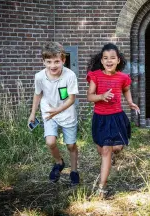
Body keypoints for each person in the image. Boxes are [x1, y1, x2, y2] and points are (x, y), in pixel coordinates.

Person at [86, 43, 140, 198]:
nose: (109, 61)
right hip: (100, 118)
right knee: (103, 150)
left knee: (115, 148)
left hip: (116, 117)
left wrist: (130, 102)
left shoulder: (123, 77)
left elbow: (126, 89)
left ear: (118, 60)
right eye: (105, 58)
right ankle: (107, 161)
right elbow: (90, 96)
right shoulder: (95, 75)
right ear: (101, 61)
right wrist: (101, 96)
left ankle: (101, 188)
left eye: (112, 58)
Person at [28, 42, 80, 186]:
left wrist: (58, 110)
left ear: (63, 60)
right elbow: (37, 94)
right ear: (43, 61)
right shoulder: (39, 77)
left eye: (56, 61)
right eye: (49, 62)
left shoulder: (70, 75)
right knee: (50, 141)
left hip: (67, 114)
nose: (53, 65)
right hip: (48, 113)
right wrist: (33, 113)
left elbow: (71, 99)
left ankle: (74, 171)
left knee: (71, 145)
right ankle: (59, 162)